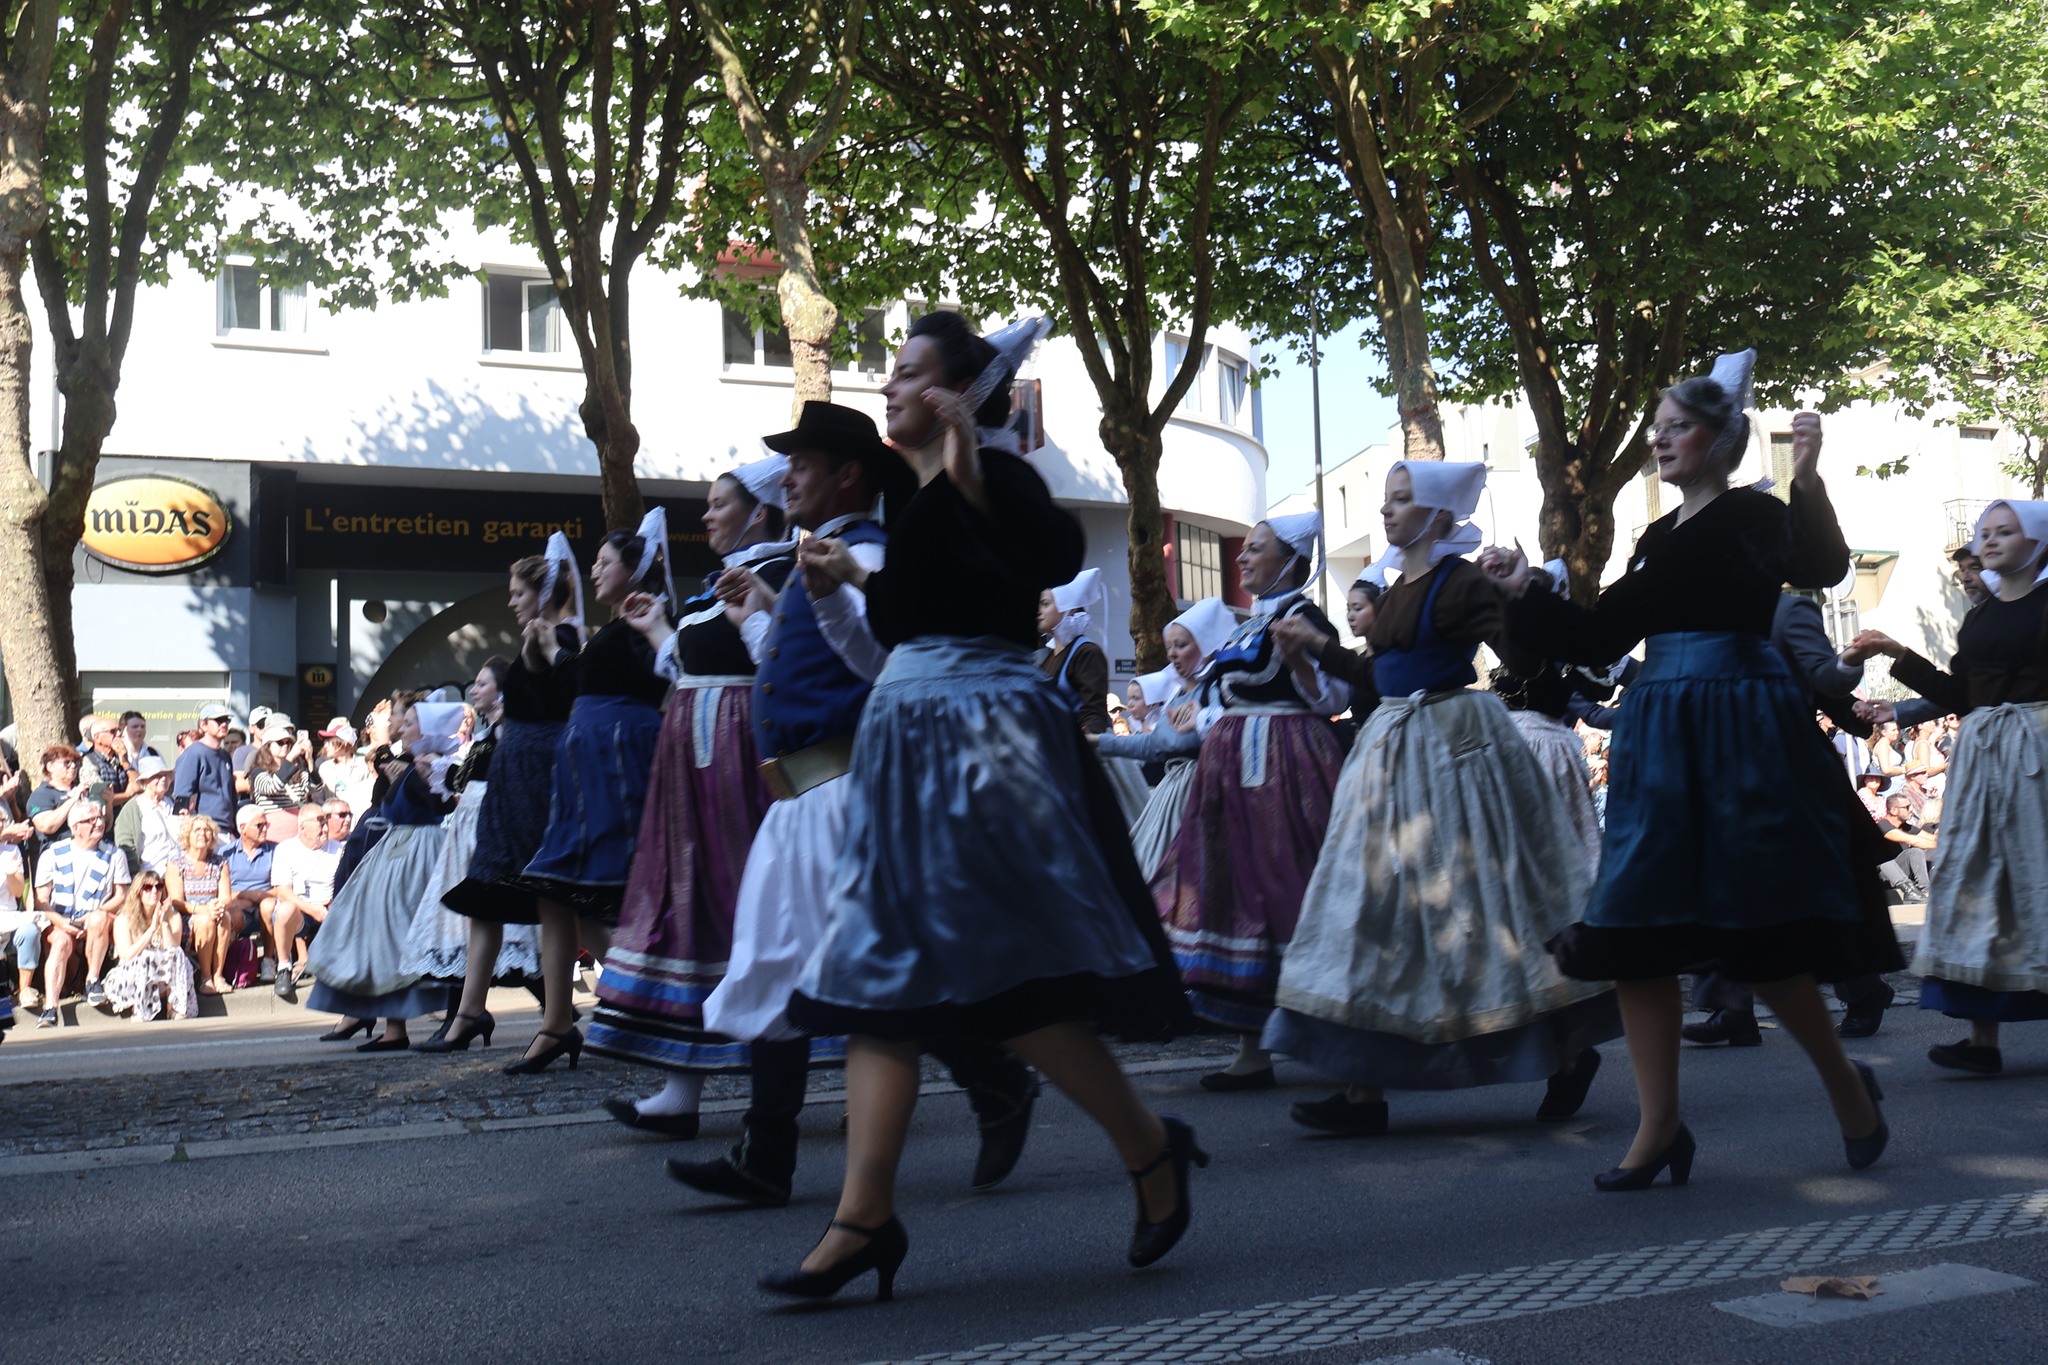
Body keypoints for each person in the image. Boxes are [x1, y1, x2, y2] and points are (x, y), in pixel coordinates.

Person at [766, 312, 1196, 1302]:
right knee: (877, 977)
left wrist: (968, 456)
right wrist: (840, 583)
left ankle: (1147, 1146)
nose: (888, 386)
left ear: (957, 393)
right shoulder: (911, 505)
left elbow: (1043, 552)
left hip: (982, 745)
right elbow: (890, 645)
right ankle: (862, 1218)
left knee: (1009, 983)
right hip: (906, 743)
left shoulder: (997, 478)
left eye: (907, 372)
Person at [1483, 353, 1891, 1187]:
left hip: (1740, 732)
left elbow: (1820, 565)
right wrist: (1524, 588)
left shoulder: (1753, 514)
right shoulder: (1657, 538)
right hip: (1661, 737)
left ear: (1722, 438)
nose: (1660, 440)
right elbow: (1598, 636)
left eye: (1677, 427)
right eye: (1658, 428)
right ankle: (1660, 1125)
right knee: (1635, 933)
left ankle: (1848, 1087)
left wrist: (1807, 476)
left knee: (1762, 937)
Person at [688, 401, 1032, 1208]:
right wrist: (758, 616)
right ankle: (767, 1152)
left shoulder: (867, 551)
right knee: (782, 961)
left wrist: (833, 587)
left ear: (847, 474)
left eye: (801, 464)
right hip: (805, 796)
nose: (787, 479)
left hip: (847, 791)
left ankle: (994, 1077)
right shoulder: (823, 556)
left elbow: (888, 660)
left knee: (866, 969)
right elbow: (810, 668)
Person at [1266, 461, 1617, 1138]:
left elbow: (1522, 661)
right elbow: (1379, 674)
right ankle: (1362, 1088)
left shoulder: (1460, 581)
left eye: (1401, 500)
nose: (1387, 510)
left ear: (1436, 516)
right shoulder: (1397, 584)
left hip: (1452, 755)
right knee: (1370, 906)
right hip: (1391, 754)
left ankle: (1567, 1052)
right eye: (1387, 499)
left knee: (1487, 908)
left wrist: (1522, 591)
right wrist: (1316, 646)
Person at [588, 457, 795, 1132]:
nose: (705, 515)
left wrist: (754, 615)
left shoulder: (782, 574)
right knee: (690, 911)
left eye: (718, 503)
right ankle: (681, 1091)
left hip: (740, 762)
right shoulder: (718, 585)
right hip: (694, 764)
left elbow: (787, 664)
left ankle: (853, 1068)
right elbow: (690, 668)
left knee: (745, 909)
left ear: (758, 513)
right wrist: (656, 629)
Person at [1846, 498, 2048, 1077]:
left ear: (2037, 543)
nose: (1990, 540)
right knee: (1978, 885)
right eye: (1986, 532)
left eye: (2005, 531)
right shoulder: (1980, 617)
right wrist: (1896, 656)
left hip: (2037, 756)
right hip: (1986, 763)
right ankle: (1982, 1040)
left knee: (2037, 882)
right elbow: (1961, 694)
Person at [1150, 510, 1351, 1089]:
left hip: (1286, 764)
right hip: (1232, 769)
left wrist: (1298, 660)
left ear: (1291, 561)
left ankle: (1335, 1036)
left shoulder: (1305, 618)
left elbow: (1332, 698)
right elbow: (1218, 699)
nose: (1241, 556)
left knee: (1289, 886)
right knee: (1235, 890)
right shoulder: (1248, 625)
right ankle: (1252, 1047)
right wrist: (1201, 718)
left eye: (1256, 549)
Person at [1686, 591, 1901, 1045]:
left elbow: (1820, 675)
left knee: (1818, 881)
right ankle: (1733, 1008)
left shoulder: (1784, 609)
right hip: (1725, 762)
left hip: (1789, 762)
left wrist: (1852, 700)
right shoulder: (1698, 613)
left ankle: (1863, 989)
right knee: (1730, 885)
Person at [506, 517, 673, 1073]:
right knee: (555, 889)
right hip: (587, 762)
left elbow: (634, 680)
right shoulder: (614, 626)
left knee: (600, 889)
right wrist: (545, 653)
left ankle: (644, 998)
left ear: (637, 569)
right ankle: (560, 1020)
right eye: (595, 562)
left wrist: (554, 652)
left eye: (606, 562)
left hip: (616, 760)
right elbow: (571, 690)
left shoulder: (646, 619)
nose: (594, 570)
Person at [436, 548, 583, 1052]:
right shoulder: (542, 637)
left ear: (543, 594)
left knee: (559, 901)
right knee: (489, 894)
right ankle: (470, 1012)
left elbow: (567, 695)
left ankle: (626, 1000)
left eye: (520, 592)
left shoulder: (555, 638)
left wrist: (547, 645)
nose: (513, 601)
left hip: (534, 782)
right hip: (516, 779)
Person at [306, 698, 462, 1049]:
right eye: (402, 722)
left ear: (427, 731)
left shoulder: (430, 764)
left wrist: (426, 775)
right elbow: (388, 802)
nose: (401, 728)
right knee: (381, 932)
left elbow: (442, 803)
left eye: (409, 723)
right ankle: (386, 1023)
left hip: (417, 852)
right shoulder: (409, 763)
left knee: (396, 933)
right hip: (397, 850)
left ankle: (402, 1026)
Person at [410, 660, 541, 1049]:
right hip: (471, 831)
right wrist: (437, 770)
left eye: (482, 683)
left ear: (503, 689)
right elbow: (468, 779)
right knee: (467, 924)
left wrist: (440, 770)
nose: (473, 689)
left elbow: (484, 779)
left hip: (488, 832)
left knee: (491, 924)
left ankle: (567, 1008)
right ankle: (465, 1017)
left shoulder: (509, 729)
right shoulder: (492, 731)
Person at [1094, 598, 1238, 878]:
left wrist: (1203, 721)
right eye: (1169, 646)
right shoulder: (1179, 693)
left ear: (1207, 644)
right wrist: (1100, 742)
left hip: (1203, 790)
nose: (1172, 654)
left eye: (1181, 645)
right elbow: (1154, 744)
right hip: (1173, 791)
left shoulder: (1218, 688)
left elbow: (1230, 731)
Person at [32, 801, 132, 1022]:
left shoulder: (115, 854)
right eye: (91, 820)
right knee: (60, 943)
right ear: (76, 827)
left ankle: (92, 981)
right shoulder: (53, 853)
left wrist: (93, 914)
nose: (99, 823)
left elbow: (121, 895)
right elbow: (41, 900)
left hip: (96, 919)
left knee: (98, 918)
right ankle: (50, 1007)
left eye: (100, 818)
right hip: (60, 919)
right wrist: (61, 922)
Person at [101, 870, 199, 1022]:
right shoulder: (123, 919)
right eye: (147, 888)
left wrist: (164, 922)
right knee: (145, 956)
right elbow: (126, 955)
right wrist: (152, 928)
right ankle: (139, 1008)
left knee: (178, 954)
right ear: (138, 892)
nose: (154, 891)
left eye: (158, 887)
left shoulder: (173, 916)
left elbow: (173, 948)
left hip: (162, 976)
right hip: (131, 974)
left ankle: (173, 1008)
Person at [166, 815, 236, 995]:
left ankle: (218, 976)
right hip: (188, 917)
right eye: (197, 830)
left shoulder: (220, 862)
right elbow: (177, 901)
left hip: (214, 912)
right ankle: (205, 977)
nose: (202, 834)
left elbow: (226, 898)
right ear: (187, 835)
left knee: (224, 916)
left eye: (207, 830)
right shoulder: (176, 864)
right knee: (205, 920)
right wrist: (203, 910)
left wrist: (217, 906)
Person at [1039, 568, 1111, 735]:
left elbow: (1094, 715)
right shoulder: (1048, 657)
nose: (1039, 611)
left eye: (1045, 604)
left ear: (1070, 609)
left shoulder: (1087, 653)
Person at [112, 756, 182, 875]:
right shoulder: (133, 808)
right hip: (151, 876)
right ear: (144, 780)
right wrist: (137, 876)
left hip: (179, 874)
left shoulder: (173, 804)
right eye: (157, 776)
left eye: (167, 775)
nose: (163, 779)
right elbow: (125, 846)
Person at [171, 703, 237, 826]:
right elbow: (182, 795)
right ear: (203, 725)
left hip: (226, 827)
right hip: (204, 827)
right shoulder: (194, 753)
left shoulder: (225, 756)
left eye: (226, 720)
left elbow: (231, 795)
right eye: (218, 720)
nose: (224, 724)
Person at [1, 821, 36, 1011]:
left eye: (1, 821)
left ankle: (24, 990)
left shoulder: (11, 851)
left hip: (8, 917)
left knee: (29, 931)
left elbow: (17, 892)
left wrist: (10, 875)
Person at [317, 724, 374, 818]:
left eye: (329, 741)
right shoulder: (324, 768)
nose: (325, 746)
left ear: (345, 742)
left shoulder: (364, 765)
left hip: (358, 817)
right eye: (325, 742)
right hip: (333, 819)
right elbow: (318, 798)